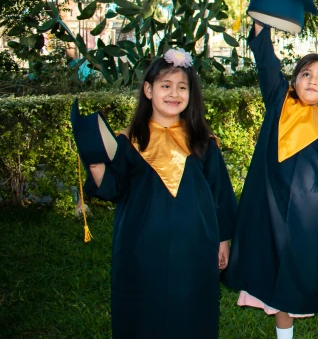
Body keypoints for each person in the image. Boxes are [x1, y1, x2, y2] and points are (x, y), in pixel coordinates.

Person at [222, 22, 318, 339]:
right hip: (276, 209)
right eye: (305, 74)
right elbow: (267, 66)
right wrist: (260, 30)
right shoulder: (281, 106)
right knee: (279, 271)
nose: (312, 80)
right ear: (294, 81)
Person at [84, 48, 238, 339]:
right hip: (140, 242)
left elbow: (220, 194)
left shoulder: (203, 142)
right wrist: (95, 164)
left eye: (182, 87)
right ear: (148, 90)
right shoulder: (128, 141)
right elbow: (113, 189)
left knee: (192, 309)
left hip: (194, 243)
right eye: (165, 86)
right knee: (143, 309)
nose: (174, 93)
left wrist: (223, 240)